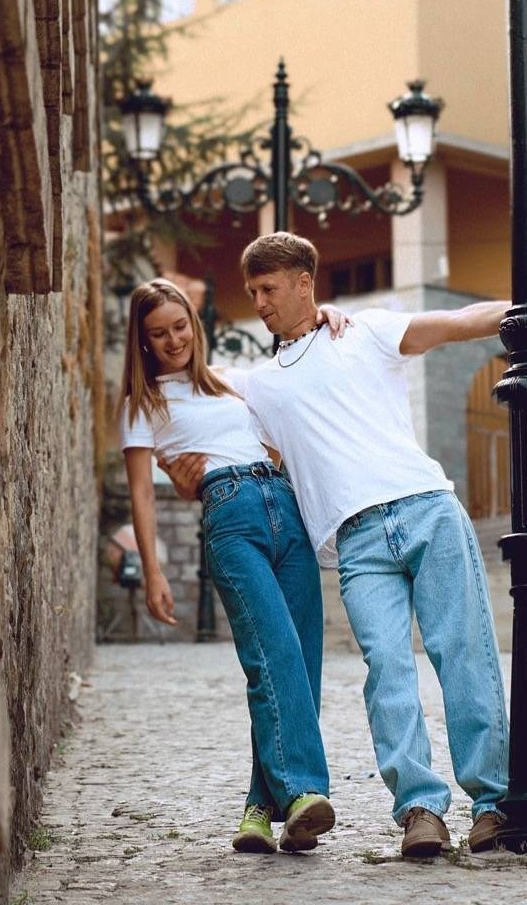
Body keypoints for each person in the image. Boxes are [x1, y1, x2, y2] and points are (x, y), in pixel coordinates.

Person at [163, 232, 527, 861]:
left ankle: (490, 804)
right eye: (251, 293)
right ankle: (419, 810)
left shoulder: (369, 330)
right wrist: (178, 469)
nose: (260, 303)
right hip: (355, 541)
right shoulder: (261, 385)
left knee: (462, 651)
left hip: (427, 506)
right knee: (387, 669)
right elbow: (191, 399)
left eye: (269, 289)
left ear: (305, 283)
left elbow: (458, 321)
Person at [119, 277, 347, 855]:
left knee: (299, 658)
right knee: (270, 652)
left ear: (194, 325)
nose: (173, 341)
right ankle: (302, 793)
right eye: (158, 334)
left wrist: (328, 316)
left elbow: (295, 386)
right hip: (230, 514)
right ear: (142, 342)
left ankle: (258, 810)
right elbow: (142, 493)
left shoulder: (236, 381)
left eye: (179, 327)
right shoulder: (142, 405)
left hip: (284, 508)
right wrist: (153, 572)